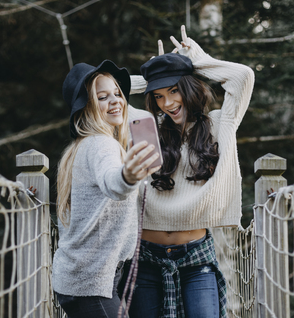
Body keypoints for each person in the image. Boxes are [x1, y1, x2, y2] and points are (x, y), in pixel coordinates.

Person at [125, 26, 255, 318]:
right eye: (157, 95)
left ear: (189, 86)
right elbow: (100, 93)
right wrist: (153, 75)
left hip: (197, 259)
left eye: (174, 90)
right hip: (145, 257)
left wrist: (196, 61)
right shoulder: (146, 127)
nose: (167, 103)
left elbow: (243, 76)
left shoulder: (221, 123)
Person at [52, 59, 161, 318]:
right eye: (102, 97)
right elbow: (113, 183)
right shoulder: (103, 145)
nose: (115, 101)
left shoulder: (80, 146)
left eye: (117, 93)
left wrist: (158, 73)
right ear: (86, 107)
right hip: (91, 282)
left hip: (79, 278)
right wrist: (128, 176)